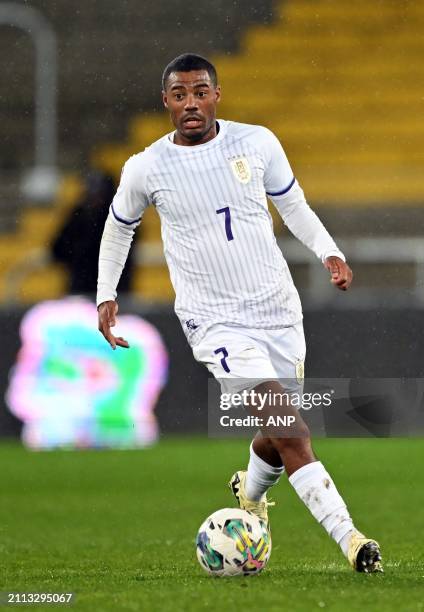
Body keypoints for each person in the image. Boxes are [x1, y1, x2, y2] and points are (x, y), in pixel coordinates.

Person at [97, 53, 383, 573]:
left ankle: (248, 495)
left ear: (216, 94)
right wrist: (105, 293)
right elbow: (119, 227)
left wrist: (329, 251)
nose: (190, 104)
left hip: (277, 308)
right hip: (215, 320)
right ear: (166, 101)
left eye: (200, 92)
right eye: (179, 94)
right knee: (292, 428)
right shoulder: (145, 167)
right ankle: (352, 540)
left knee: (276, 436)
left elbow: (292, 204)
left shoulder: (257, 142)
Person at [52, 172, 136, 296]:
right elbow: (57, 249)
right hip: (82, 290)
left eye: (99, 193)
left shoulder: (120, 217)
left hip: (112, 292)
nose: (95, 198)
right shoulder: (79, 215)